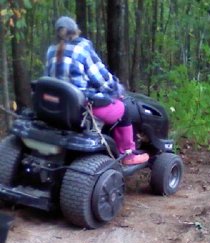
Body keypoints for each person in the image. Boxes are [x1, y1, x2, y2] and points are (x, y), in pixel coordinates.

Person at [45, 16, 149, 165]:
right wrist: (117, 91)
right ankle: (127, 154)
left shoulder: (51, 50)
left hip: (57, 107)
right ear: (75, 31)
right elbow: (102, 80)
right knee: (123, 110)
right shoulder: (81, 48)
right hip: (81, 108)